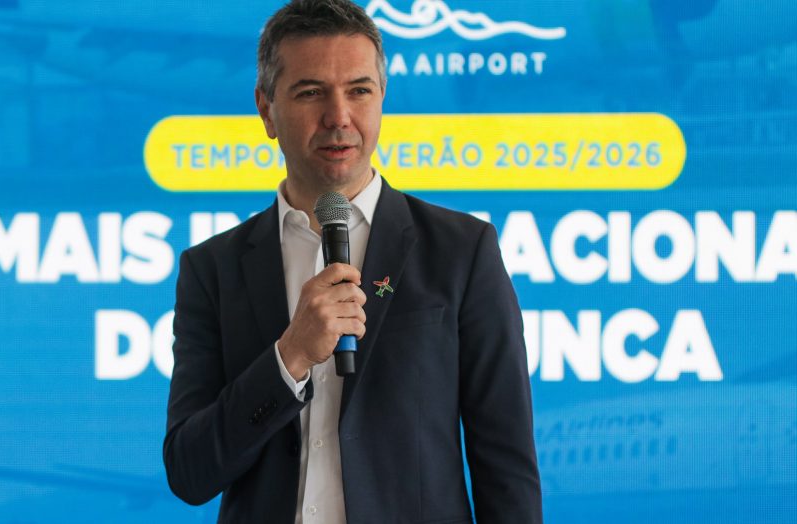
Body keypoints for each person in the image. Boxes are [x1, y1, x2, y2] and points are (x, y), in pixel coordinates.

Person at [163, 0, 541, 522]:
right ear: (266, 109)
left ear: (382, 98)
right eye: (311, 92)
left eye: (359, 91)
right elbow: (189, 472)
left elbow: (507, 467)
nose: (338, 117)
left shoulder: (462, 251)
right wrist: (289, 357)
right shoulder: (213, 269)